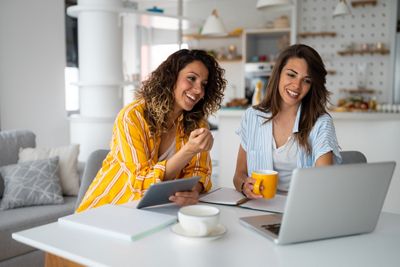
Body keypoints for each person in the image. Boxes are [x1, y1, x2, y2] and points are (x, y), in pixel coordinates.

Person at [77, 49, 226, 212]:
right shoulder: (132, 117)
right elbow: (141, 183)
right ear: (171, 77)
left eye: (203, 84)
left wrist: (193, 191)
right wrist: (189, 150)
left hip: (157, 210)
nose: (199, 90)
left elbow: (200, 171)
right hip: (109, 208)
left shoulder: (198, 124)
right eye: (191, 78)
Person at [233, 44, 341, 199]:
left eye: (306, 80)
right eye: (291, 75)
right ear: (278, 74)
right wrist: (245, 185)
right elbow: (239, 175)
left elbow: (323, 183)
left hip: (301, 209)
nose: (296, 86)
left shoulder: (320, 123)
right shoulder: (252, 117)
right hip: (259, 207)